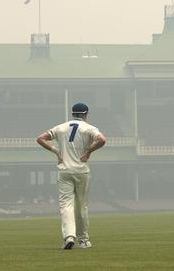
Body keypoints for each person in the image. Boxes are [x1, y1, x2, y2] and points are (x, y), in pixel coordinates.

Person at [36, 103, 106, 250]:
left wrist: (56, 151)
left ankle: (69, 236)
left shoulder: (61, 127)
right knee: (81, 206)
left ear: (73, 114)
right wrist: (88, 151)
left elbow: (40, 138)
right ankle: (83, 240)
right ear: (85, 114)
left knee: (66, 205)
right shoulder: (89, 128)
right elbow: (102, 140)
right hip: (81, 171)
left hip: (64, 170)